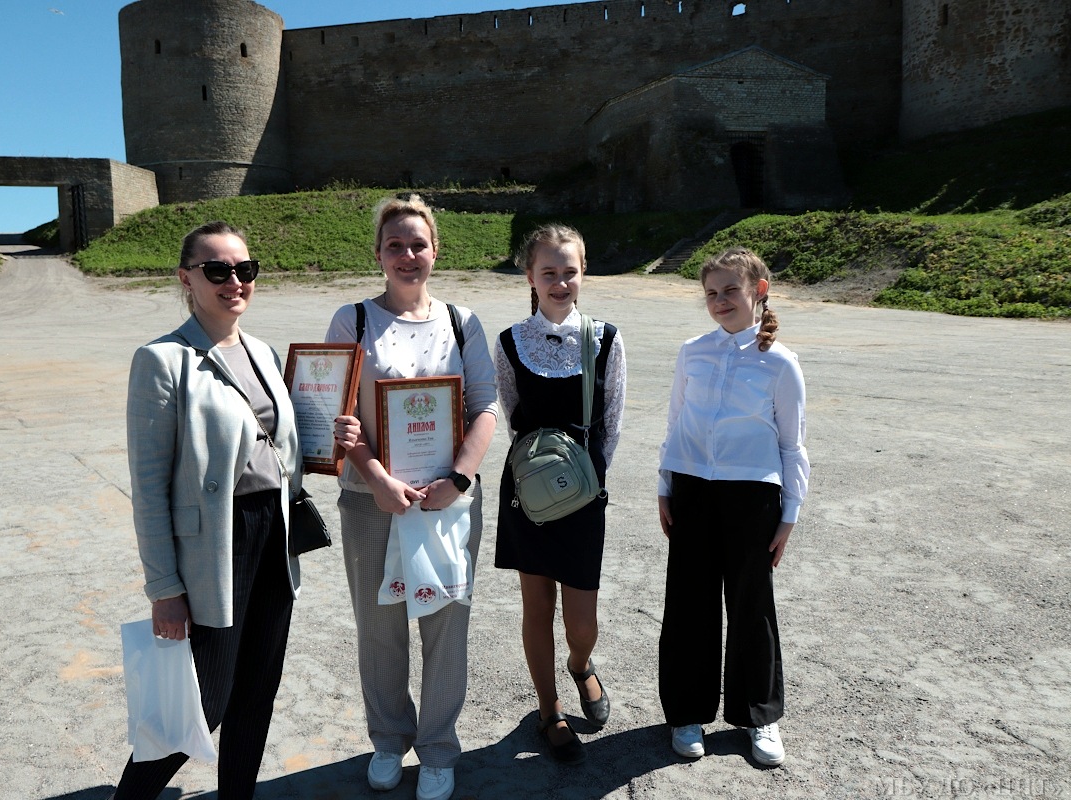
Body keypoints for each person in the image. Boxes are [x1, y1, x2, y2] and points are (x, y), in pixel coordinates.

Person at [111, 221, 304, 800]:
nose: (233, 281)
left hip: (274, 532)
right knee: (206, 698)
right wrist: (163, 588)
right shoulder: (161, 360)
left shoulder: (263, 352)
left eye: (245, 269)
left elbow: (283, 446)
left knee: (257, 689)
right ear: (186, 278)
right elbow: (148, 487)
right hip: (215, 545)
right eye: (217, 270)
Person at [325, 195, 498, 800]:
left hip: (448, 499)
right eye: (394, 244)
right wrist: (377, 478)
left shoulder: (462, 322)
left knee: (446, 626)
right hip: (371, 498)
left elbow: (485, 407)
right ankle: (388, 739)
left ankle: (439, 748)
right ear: (378, 253)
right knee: (379, 627)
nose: (407, 255)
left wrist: (459, 480)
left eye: (417, 244)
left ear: (435, 250)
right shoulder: (352, 320)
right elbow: (340, 416)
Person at [656, 246, 810, 768]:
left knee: (751, 604)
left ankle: (758, 715)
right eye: (711, 293)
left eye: (730, 290)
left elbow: (792, 445)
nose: (720, 301)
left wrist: (789, 514)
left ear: (758, 291)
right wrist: (665, 483)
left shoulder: (781, 363)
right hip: (692, 488)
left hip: (752, 495)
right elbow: (676, 422)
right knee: (688, 602)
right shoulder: (692, 352)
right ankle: (687, 713)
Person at [493, 223, 627, 764]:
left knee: (581, 620)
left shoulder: (606, 338)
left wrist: (584, 482)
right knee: (536, 605)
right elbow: (512, 415)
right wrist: (541, 472)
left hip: (583, 495)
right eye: (548, 272)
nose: (560, 282)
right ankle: (549, 710)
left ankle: (579, 663)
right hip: (528, 493)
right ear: (530, 276)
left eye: (569, 271)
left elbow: (612, 421)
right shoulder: (509, 342)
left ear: (583, 272)